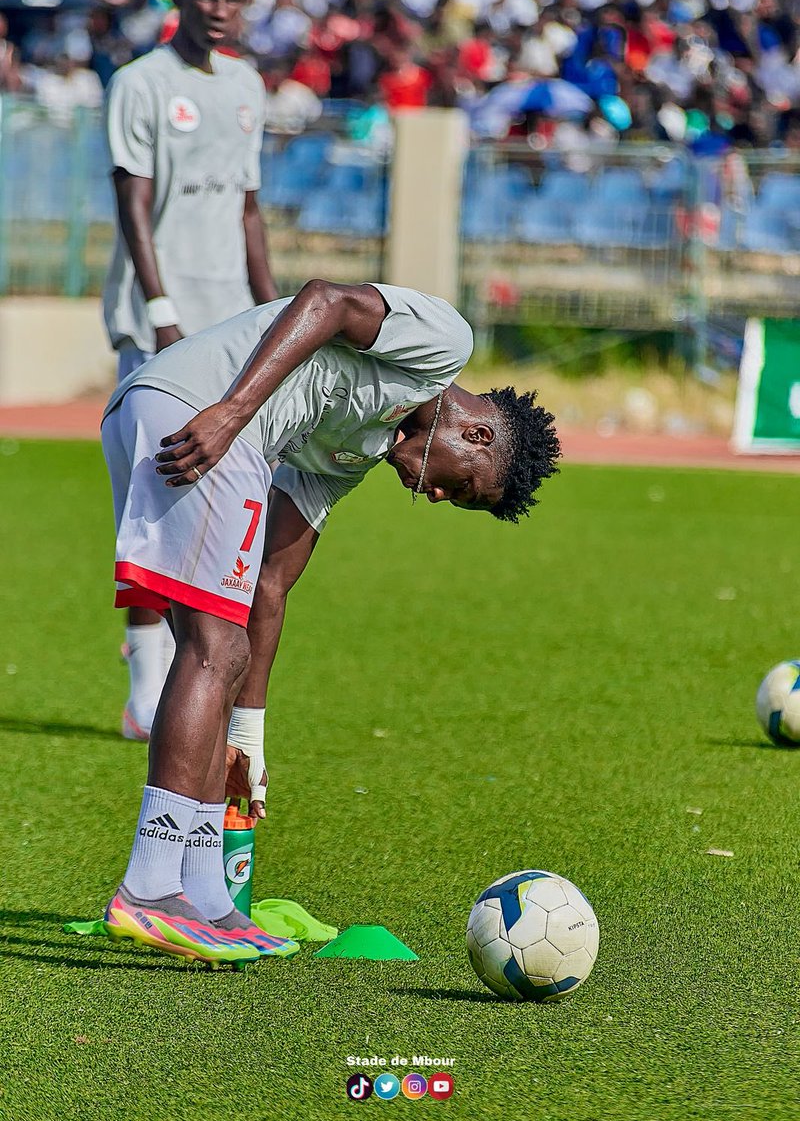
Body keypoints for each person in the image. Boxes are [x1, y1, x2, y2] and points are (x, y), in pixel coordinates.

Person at [100, 278, 561, 966]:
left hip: (190, 420)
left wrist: (249, 744)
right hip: (198, 413)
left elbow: (271, 584)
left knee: (219, 653)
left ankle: (202, 896)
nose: (434, 496)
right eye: (458, 484)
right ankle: (147, 886)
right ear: (477, 432)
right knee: (214, 651)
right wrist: (233, 410)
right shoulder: (445, 343)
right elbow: (328, 300)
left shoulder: (355, 451)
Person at [102, 0, 278, 745]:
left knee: (230, 499)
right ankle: (148, 687)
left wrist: (274, 312)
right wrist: (161, 307)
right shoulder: (140, 82)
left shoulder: (248, 87)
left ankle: (193, 673)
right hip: (159, 325)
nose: (220, 8)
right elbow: (132, 200)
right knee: (154, 496)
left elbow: (248, 209)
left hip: (231, 321)